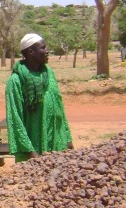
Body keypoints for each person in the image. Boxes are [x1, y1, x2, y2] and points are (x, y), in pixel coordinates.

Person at [5, 33, 74, 163]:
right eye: (43, 48)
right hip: (33, 151)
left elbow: (59, 108)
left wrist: (68, 138)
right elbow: (15, 118)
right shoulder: (16, 81)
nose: (47, 51)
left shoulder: (49, 74)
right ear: (31, 52)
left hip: (57, 143)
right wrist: (31, 152)